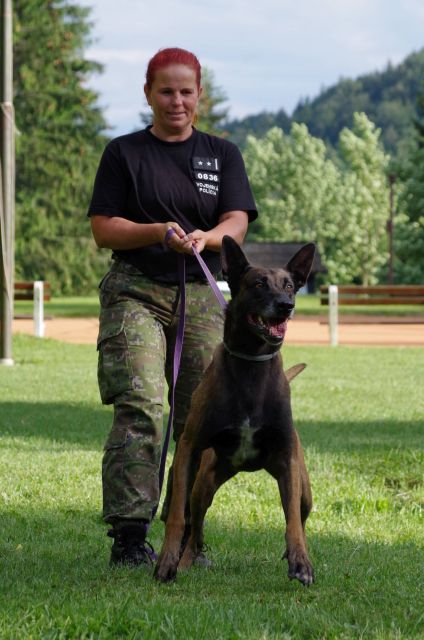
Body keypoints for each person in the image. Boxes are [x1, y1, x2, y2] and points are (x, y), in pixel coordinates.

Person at [87, 47, 257, 567]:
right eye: (166, 91)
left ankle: (185, 533)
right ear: (148, 94)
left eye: (186, 91)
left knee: (200, 418)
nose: (176, 101)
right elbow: (103, 229)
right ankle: (129, 535)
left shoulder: (222, 154)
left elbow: (237, 220)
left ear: (199, 94)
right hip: (135, 290)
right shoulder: (123, 153)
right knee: (142, 403)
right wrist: (158, 232)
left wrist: (209, 237)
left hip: (202, 291)